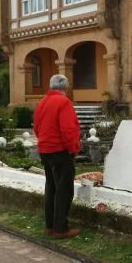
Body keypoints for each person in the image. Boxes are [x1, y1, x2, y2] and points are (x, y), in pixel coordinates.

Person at [34, 74, 81, 238]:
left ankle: (50, 225)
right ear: (66, 87)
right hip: (60, 150)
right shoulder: (63, 102)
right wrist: (73, 148)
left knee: (51, 187)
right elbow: (68, 129)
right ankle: (60, 228)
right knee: (64, 190)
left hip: (45, 150)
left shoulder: (42, 102)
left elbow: (37, 127)